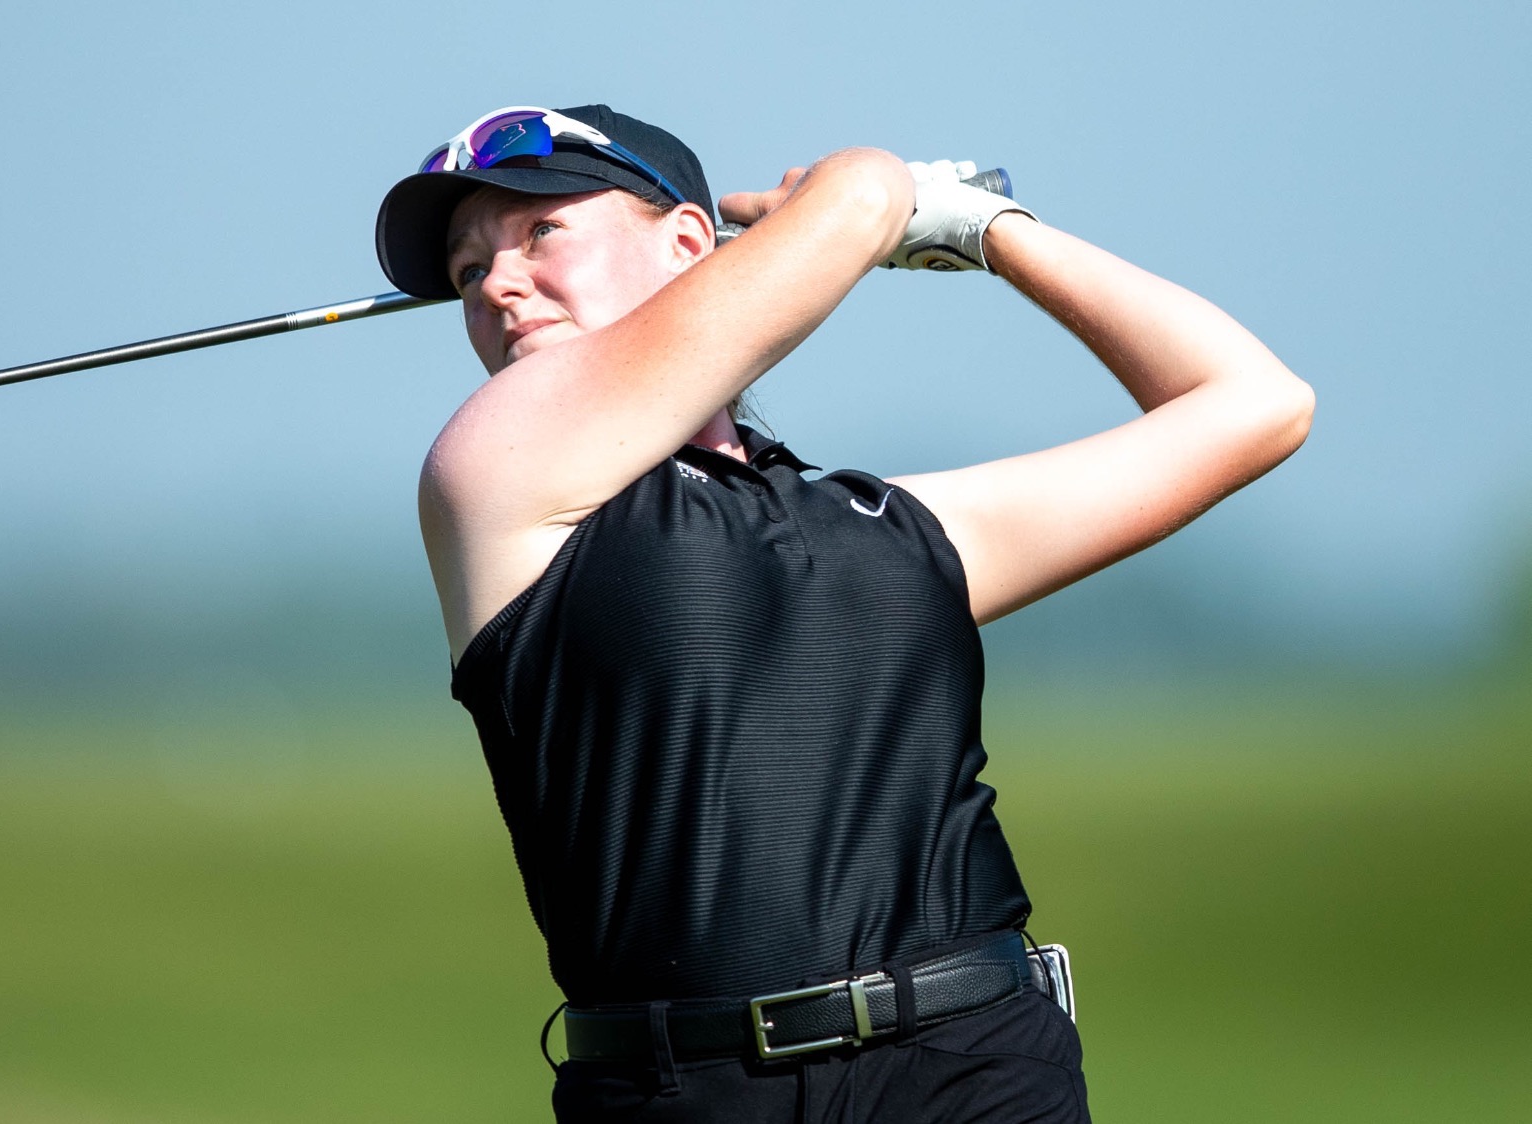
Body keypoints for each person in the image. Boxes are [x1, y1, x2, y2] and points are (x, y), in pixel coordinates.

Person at [374, 105, 1313, 1123]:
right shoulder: (496, 477)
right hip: (687, 1090)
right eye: (468, 271)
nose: (497, 283)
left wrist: (987, 233)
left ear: (688, 243)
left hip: (976, 1065)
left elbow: (1255, 402)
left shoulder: (890, 526)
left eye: (538, 230)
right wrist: (874, 209)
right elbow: (863, 189)